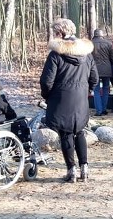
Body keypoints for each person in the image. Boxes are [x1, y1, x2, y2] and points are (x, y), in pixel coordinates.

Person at [40, 18, 98, 182]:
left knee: (65, 133)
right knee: (79, 131)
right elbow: (94, 77)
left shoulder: (56, 54)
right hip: (80, 98)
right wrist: (88, 91)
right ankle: (84, 168)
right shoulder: (86, 54)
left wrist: (47, 95)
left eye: (55, 32)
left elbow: (46, 81)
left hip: (60, 98)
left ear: (60, 33)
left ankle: (71, 170)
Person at [90, 29, 113, 116]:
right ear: (102, 35)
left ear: (94, 35)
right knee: (106, 89)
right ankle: (104, 109)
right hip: (106, 69)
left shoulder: (90, 43)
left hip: (94, 69)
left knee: (96, 90)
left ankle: (99, 111)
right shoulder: (108, 43)